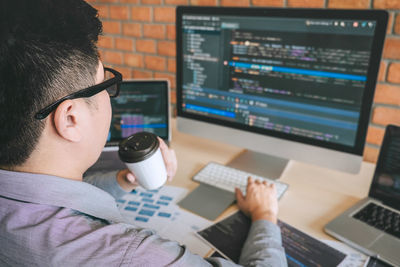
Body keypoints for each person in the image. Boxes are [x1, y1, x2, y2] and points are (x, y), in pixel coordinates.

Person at [0, 0, 287, 266]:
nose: (110, 97)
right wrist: (265, 216)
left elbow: (45, 202)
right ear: (71, 119)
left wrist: (123, 181)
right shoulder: (136, 254)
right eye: (105, 85)